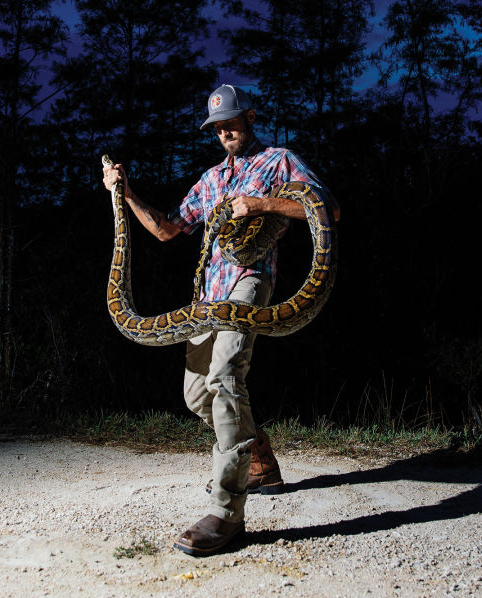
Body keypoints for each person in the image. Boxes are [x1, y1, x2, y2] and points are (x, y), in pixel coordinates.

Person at [102, 84, 340, 556]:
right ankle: (259, 461)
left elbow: (327, 210)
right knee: (196, 396)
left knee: (226, 375)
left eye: (232, 121)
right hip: (208, 296)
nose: (225, 131)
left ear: (250, 116)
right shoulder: (210, 180)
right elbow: (169, 228)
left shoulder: (277, 161)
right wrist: (125, 192)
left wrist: (264, 204)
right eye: (217, 126)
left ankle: (226, 514)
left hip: (251, 283)